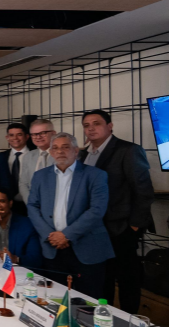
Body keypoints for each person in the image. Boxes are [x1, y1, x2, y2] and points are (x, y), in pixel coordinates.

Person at [79, 109, 155, 313]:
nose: (91, 128)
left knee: (127, 280)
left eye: (96, 123)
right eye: (86, 125)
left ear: (110, 126)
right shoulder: (84, 154)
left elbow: (144, 191)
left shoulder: (128, 150)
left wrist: (134, 226)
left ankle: (130, 323)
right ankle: (104, 318)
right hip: (94, 228)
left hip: (121, 227)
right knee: (102, 278)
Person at [28, 133, 113, 298]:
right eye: (55, 148)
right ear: (51, 153)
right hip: (52, 247)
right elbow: (32, 206)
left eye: (65, 147)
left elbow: (97, 210)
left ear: (76, 151)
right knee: (55, 299)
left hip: (86, 247)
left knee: (88, 301)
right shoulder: (40, 176)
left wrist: (66, 235)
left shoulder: (95, 175)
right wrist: (50, 235)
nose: (60, 151)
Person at [19, 119, 57, 203]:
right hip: (32, 204)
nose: (38, 137)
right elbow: (23, 183)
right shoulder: (27, 156)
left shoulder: (62, 155)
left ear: (53, 133)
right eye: (34, 134)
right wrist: (31, 203)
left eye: (43, 133)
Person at [2, 122, 30, 215]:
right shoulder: (1, 157)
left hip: (29, 203)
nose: (15, 138)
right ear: (7, 137)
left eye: (19, 135)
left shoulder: (35, 156)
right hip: (6, 204)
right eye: (11, 135)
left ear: (26, 137)